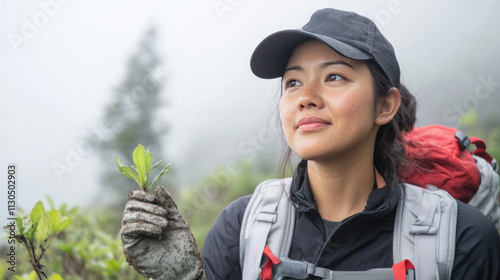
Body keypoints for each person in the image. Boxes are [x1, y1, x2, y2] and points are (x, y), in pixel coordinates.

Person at [120, 8, 500, 280]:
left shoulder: (461, 240)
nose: (306, 97)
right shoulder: (242, 228)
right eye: (293, 82)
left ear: (385, 105)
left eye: (334, 76)